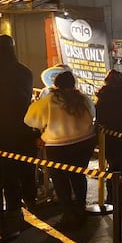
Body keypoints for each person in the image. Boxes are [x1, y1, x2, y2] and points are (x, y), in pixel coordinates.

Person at [25, 71, 96, 229]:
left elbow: (30, 119)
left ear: (55, 84)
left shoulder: (49, 100)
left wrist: (42, 132)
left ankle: (68, 214)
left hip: (58, 145)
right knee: (78, 175)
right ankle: (80, 209)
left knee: (60, 179)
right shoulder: (83, 98)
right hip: (84, 142)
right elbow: (92, 114)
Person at [0, 34, 37, 240]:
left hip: (2, 127)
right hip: (24, 125)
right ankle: (30, 199)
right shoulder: (25, 71)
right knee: (26, 163)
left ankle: (14, 207)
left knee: (6, 168)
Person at [95, 70, 122, 204]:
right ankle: (117, 191)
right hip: (121, 132)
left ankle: (113, 191)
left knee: (112, 163)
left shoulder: (102, 94)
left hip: (106, 133)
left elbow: (99, 114)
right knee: (120, 163)